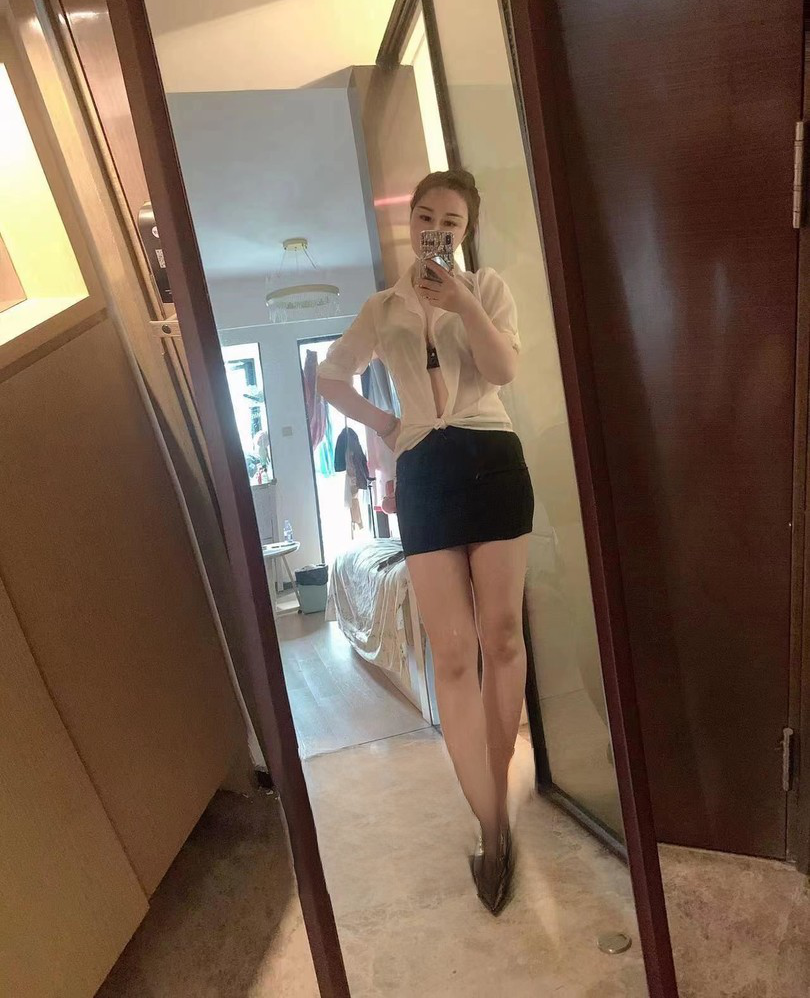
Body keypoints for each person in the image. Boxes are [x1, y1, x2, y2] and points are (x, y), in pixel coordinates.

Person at [317, 169, 534, 915]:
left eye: (452, 221)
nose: (437, 229)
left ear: (465, 232)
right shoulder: (382, 308)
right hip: (425, 472)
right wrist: (386, 426)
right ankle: (493, 826)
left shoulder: (489, 288)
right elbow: (331, 376)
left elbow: (503, 370)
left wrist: (462, 300)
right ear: (409, 221)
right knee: (453, 654)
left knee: (503, 637)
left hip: (492, 456)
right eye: (426, 216)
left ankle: (494, 798)